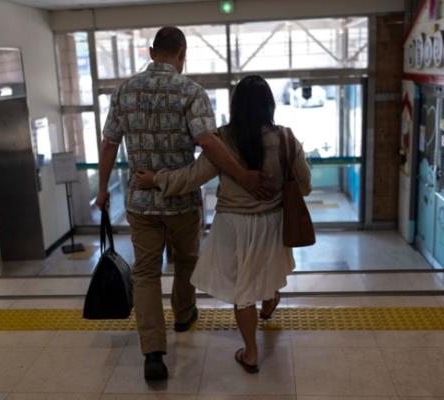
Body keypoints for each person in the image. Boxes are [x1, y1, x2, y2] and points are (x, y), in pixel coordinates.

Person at [96, 27, 273, 381]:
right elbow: (207, 141)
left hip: (140, 201)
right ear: (182, 53)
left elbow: (109, 144)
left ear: (151, 52)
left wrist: (102, 190)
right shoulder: (191, 92)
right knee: (185, 261)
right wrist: (242, 174)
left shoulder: (123, 92)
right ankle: (183, 313)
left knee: (145, 274)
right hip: (181, 202)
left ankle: (153, 353)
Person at [135, 75, 312, 373]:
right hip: (271, 223)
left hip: (233, 226)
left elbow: (191, 177)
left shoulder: (223, 140)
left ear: (235, 106)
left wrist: (155, 180)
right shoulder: (286, 139)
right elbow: (304, 186)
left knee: (243, 288)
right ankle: (269, 305)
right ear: (269, 105)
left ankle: (251, 354)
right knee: (266, 272)